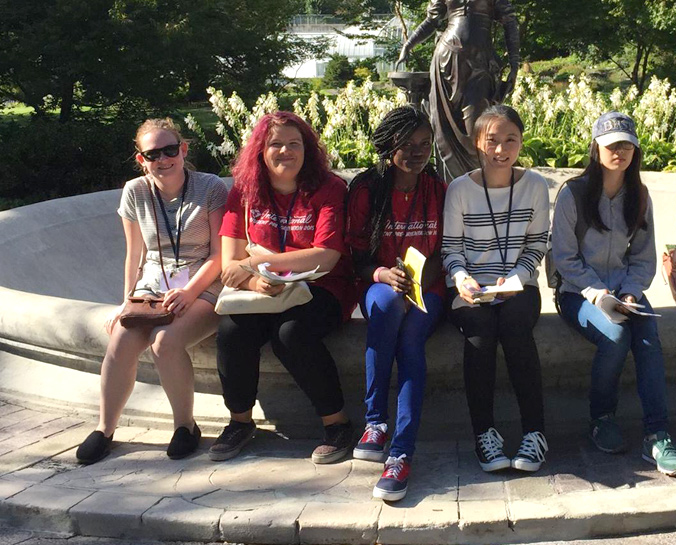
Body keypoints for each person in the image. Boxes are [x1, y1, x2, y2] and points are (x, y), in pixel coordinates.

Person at [76, 118, 227, 464]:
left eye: (169, 150)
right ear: (141, 158)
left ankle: (185, 426)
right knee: (120, 342)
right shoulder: (135, 191)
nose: (163, 159)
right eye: (153, 153)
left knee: (164, 341)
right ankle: (105, 428)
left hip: (203, 280)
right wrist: (125, 300)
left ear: (183, 150)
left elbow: (220, 255)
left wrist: (189, 292)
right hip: (153, 283)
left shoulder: (211, 187)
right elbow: (135, 253)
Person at [211, 111, 357, 463]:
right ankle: (240, 422)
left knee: (291, 334)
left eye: (295, 144)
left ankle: (337, 424)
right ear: (260, 150)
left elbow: (326, 256)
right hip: (264, 288)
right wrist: (254, 280)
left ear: (308, 150)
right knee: (231, 331)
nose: (285, 151)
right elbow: (229, 262)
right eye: (275, 144)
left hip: (323, 285)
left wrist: (258, 264)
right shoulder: (244, 192)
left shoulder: (329, 188)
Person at [551, 112, 676, 476]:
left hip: (623, 290)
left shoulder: (639, 196)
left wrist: (629, 292)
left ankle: (657, 434)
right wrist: (597, 293)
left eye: (627, 144)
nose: (620, 151)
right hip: (577, 291)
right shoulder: (573, 193)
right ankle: (601, 418)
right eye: (612, 145)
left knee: (648, 338)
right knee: (614, 336)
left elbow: (643, 256)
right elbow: (564, 258)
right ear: (596, 148)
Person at [346, 106, 448, 501]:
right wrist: (383, 276)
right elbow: (355, 257)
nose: (418, 152)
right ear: (388, 145)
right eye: (408, 144)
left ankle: (401, 455)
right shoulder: (367, 190)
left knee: (410, 343)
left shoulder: (438, 189)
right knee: (388, 306)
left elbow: (446, 251)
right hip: (380, 284)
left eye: (425, 144)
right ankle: (376, 423)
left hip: (429, 288)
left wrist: (419, 281)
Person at [442, 104, 550, 472]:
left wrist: (517, 275)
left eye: (511, 140)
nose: (501, 150)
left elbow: (537, 244)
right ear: (477, 143)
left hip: (518, 285)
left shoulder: (534, 185)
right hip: (470, 286)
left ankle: (535, 433)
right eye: (492, 141)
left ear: (521, 143)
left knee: (517, 328)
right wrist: (461, 278)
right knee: (480, 332)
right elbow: (451, 249)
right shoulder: (459, 190)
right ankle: (484, 434)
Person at [397, 0, 520, 180]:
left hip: (480, 63)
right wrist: (408, 44)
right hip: (446, 59)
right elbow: (432, 19)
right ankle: (450, 188)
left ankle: (480, 186)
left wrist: (515, 62)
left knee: (477, 126)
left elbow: (509, 21)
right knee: (443, 128)